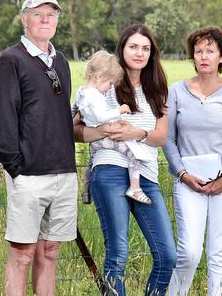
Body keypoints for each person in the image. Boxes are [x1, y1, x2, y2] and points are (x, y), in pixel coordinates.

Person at [74, 24, 176, 295]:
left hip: (146, 176)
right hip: (110, 169)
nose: (140, 53)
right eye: (133, 46)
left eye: (145, 48)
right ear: (122, 48)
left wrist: (136, 132)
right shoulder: (103, 84)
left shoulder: (158, 89)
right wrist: (102, 130)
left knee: (167, 256)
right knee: (118, 254)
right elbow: (72, 129)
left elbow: (161, 136)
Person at [0, 0, 77, 296]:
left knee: (49, 252)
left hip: (64, 173)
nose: (45, 20)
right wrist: (15, 168)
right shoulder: (11, 60)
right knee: (23, 254)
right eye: (37, 13)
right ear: (24, 18)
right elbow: (4, 117)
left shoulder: (61, 61)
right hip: (27, 174)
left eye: (51, 15)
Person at [163, 26, 222, 296]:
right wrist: (182, 173)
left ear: (221, 57)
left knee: (219, 250)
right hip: (189, 181)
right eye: (198, 51)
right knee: (189, 251)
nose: (203, 56)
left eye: (210, 51)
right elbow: (168, 138)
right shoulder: (176, 91)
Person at [75, 50, 151, 205]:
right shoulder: (94, 96)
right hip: (103, 137)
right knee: (133, 154)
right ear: (98, 77)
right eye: (110, 83)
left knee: (91, 161)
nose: (110, 88)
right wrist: (119, 110)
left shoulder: (81, 92)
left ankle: (86, 190)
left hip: (95, 139)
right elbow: (101, 117)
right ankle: (135, 188)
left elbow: (81, 115)